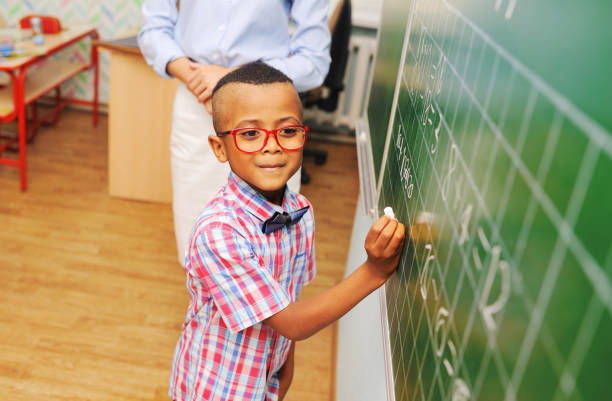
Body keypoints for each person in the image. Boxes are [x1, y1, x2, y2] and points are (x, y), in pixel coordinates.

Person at [168, 62, 405, 401]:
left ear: (303, 135)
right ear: (219, 148)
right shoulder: (219, 232)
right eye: (249, 134)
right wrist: (374, 271)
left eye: (288, 131)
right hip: (216, 390)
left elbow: (288, 298)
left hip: (265, 381)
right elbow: (292, 321)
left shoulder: (300, 212)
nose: (272, 146)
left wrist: (282, 375)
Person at [137, 0, 331, 266]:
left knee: (269, 242)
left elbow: (313, 61)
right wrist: (196, 78)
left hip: (266, 105)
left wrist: (228, 79)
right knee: (196, 235)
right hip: (196, 101)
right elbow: (154, 29)